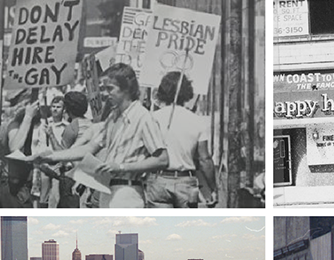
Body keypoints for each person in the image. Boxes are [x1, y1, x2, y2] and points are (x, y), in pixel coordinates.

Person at [35, 63, 169, 208]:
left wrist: (122, 167)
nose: (105, 93)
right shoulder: (113, 117)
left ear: (126, 88)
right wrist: (51, 156)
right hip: (106, 192)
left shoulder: (143, 117)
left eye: (110, 88)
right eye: (104, 88)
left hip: (127, 192)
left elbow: (162, 159)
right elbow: (89, 148)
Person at [150, 71, 215, 208]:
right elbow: (204, 160)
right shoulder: (197, 121)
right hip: (186, 181)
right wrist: (213, 189)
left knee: (161, 227)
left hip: (158, 180)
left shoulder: (152, 118)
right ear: (187, 92)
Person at [0, 98, 40, 208]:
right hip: (14, 186)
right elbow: (14, 147)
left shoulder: (11, 125)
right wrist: (28, 116)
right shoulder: (14, 126)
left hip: (13, 184)